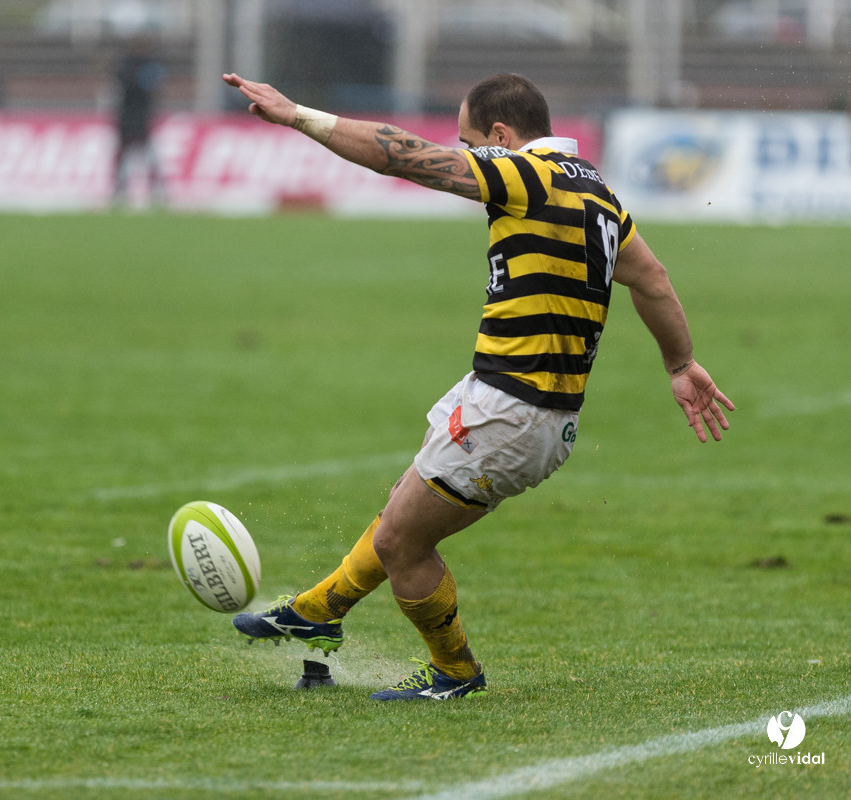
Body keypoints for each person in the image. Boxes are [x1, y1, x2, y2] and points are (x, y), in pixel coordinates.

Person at [222, 71, 735, 701]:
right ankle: (318, 610)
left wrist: (298, 114)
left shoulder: (526, 173)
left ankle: (454, 673)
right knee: (404, 508)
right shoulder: (598, 193)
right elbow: (652, 278)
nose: (465, 157)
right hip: (523, 405)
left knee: (401, 542)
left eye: (471, 143)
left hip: (512, 410)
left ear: (501, 135)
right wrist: (680, 366)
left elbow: (401, 155)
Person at [112, 37, 166, 206]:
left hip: (130, 116)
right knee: (140, 155)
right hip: (137, 116)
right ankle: (151, 190)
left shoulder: (124, 67)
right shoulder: (146, 67)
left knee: (134, 155)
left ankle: (123, 190)